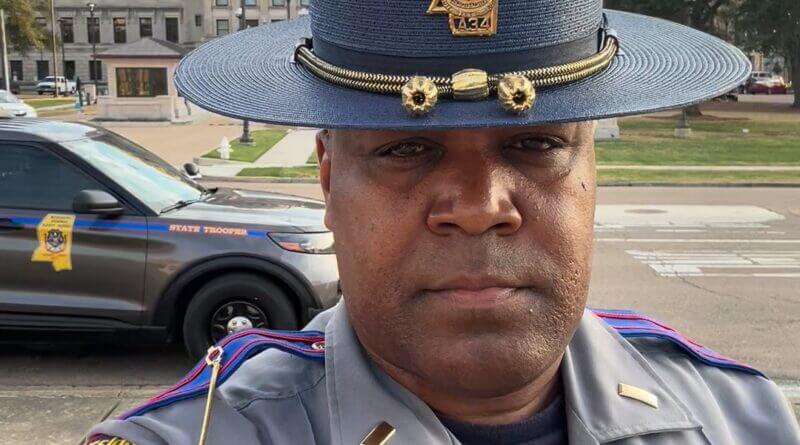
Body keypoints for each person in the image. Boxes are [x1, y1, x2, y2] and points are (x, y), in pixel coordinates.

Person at [86, 0, 800, 444]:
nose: (481, 206)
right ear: (328, 180)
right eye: (406, 149)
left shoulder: (742, 420)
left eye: (536, 143)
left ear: (591, 170)